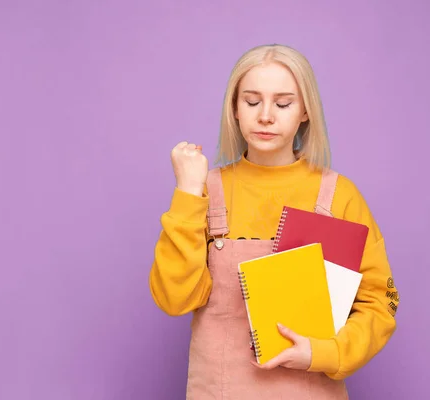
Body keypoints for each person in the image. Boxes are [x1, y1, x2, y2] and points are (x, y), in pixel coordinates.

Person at [148, 44, 399, 399]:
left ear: (305, 112)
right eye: (252, 101)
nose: (266, 116)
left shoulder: (339, 195)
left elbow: (380, 302)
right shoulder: (206, 191)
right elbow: (174, 299)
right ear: (234, 109)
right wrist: (188, 191)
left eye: (283, 104)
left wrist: (323, 353)